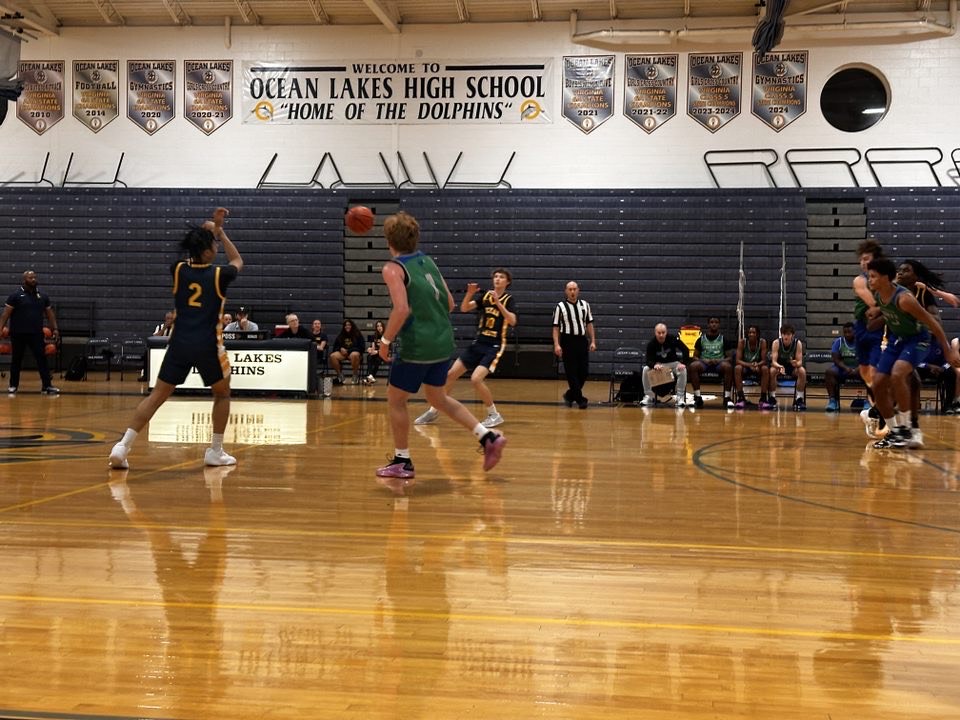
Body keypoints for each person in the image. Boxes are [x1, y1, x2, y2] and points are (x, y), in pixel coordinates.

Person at [108, 207, 243, 469]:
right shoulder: (219, 275)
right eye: (213, 245)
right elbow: (237, 260)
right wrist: (221, 232)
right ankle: (215, 451)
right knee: (222, 394)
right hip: (208, 345)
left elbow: (196, 253)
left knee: (157, 395)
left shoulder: (178, 270)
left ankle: (122, 446)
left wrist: (208, 232)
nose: (216, 247)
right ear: (207, 252)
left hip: (178, 343)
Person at [375, 210, 506, 480]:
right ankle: (487, 436)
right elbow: (449, 303)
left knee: (396, 400)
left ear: (389, 240)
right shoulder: (427, 261)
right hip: (442, 341)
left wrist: (385, 341)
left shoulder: (392, 268)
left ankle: (402, 460)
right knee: (438, 397)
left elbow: (401, 310)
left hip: (418, 345)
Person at [866, 257, 960, 449]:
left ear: (885, 278)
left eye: (873, 276)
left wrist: (949, 352)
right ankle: (895, 431)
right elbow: (879, 319)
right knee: (877, 384)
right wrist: (874, 320)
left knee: (899, 374)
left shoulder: (905, 298)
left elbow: (934, 323)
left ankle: (908, 428)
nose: (869, 280)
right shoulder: (879, 295)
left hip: (917, 340)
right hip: (896, 341)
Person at [414, 268, 517, 428]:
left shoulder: (509, 299)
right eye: (495, 276)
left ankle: (494, 414)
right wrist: (469, 293)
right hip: (479, 342)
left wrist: (498, 303)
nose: (497, 279)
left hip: (494, 345)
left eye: (501, 277)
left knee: (476, 379)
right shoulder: (485, 296)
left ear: (507, 282)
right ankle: (434, 410)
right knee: (449, 375)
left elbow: (512, 321)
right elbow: (464, 308)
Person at [0, 269, 60, 394]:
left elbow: (50, 315)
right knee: (16, 359)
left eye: (34, 277)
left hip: (36, 334)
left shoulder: (42, 296)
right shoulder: (15, 296)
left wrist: (55, 329)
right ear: (24, 280)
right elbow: (5, 315)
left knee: (41, 359)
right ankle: (13, 386)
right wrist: (0, 328)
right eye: (30, 278)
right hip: (18, 333)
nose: (33, 280)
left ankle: (47, 386)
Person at [552, 280, 596, 409]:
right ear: (566, 291)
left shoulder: (585, 305)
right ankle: (580, 399)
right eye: (570, 289)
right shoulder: (560, 307)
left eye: (574, 289)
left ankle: (570, 395)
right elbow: (555, 327)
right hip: (567, 341)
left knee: (584, 372)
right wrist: (557, 344)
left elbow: (589, 324)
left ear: (578, 291)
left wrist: (593, 340)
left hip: (582, 341)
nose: (572, 292)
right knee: (571, 372)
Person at [688, 316, 734, 408]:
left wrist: (719, 360)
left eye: (716, 322)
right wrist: (703, 360)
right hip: (704, 363)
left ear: (719, 325)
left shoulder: (723, 339)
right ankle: (697, 397)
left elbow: (730, 357)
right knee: (693, 366)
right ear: (708, 324)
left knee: (728, 367)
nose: (714, 324)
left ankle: (727, 398)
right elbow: (694, 357)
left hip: (719, 364)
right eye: (712, 322)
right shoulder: (701, 339)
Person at [640, 323, 689, 407]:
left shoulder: (672, 338)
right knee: (645, 369)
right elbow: (648, 360)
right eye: (659, 333)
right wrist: (654, 365)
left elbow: (685, 350)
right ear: (655, 333)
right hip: (659, 366)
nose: (661, 335)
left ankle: (680, 397)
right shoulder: (651, 344)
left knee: (683, 370)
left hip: (672, 364)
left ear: (666, 332)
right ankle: (649, 396)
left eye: (663, 332)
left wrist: (683, 363)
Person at [769, 323, 808, 411]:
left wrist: (796, 364)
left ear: (792, 335)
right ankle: (772, 397)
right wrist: (780, 366)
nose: (786, 336)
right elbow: (773, 362)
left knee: (802, 371)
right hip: (779, 366)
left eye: (788, 334)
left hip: (791, 367)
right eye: (784, 334)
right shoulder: (776, 343)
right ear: (781, 334)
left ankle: (799, 398)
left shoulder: (797, 343)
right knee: (771, 371)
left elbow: (800, 362)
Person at [733, 324, 769, 409]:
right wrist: (750, 365)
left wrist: (757, 364)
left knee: (765, 368)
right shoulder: (742, 342)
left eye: (753, 332)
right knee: (737, 368)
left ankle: (763, 399)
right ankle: (741, 398)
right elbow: (738, 360)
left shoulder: (762, 342)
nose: (751, 334)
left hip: (758, 367)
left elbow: (764, 360)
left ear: (757, 334)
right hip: (746, 367)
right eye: (749, 332)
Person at [825, 322, 858, 412]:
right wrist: (846, 368)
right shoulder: (838, 342)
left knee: (870, 372)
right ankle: (832, 401)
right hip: (843, 369)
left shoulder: (860, 342)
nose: (847, 334)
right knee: (829, 372)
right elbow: (836, 359)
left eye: (849, 332)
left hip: (859, 369)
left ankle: (868, 401)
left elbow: (866, 358)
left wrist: (857, 369)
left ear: (855, 332)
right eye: (845, 332)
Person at [330, 318, 365, 384]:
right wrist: (340, 349)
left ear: (352, 326)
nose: (347, 326)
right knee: (332, 356)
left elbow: (362, 347)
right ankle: (340, 375)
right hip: (343, 354)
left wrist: (349, 351)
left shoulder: (357, 334)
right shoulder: (341, 335)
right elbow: (335, 347)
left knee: (354, 355)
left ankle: (355, 375)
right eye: (345, 325)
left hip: (353, 353)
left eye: (349, 325)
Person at [364, 320, 386, 384]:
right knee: (369, 357)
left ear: (383, 327)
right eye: (377, 326)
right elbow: (373, 346)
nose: (379, 327)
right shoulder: (374, 336)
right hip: (376, 354)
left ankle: (370, 378)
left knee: (377, 360)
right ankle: (371, 376)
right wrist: (370, 349)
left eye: (380, 326)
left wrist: (377, 352)